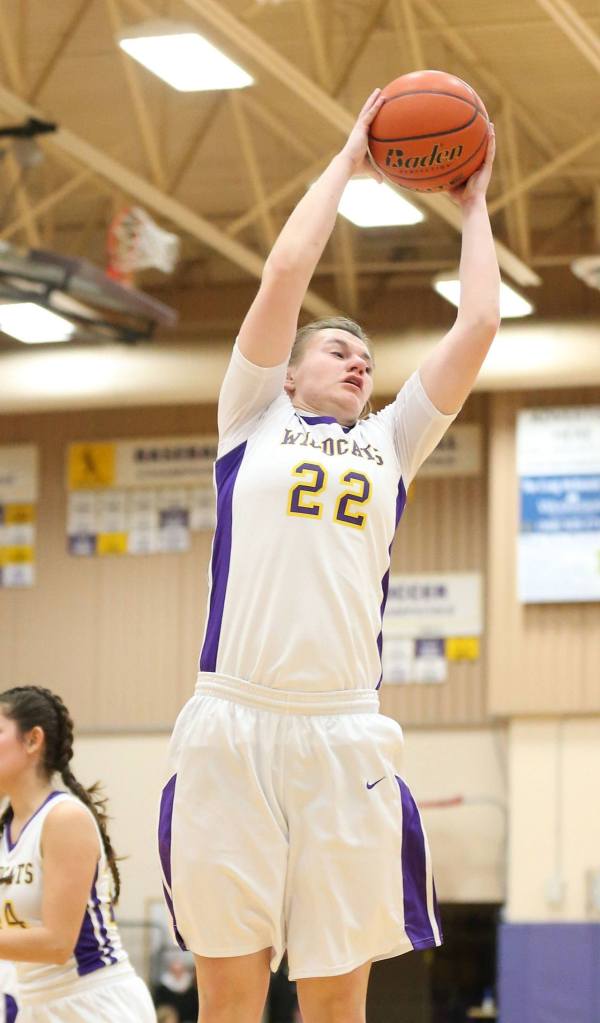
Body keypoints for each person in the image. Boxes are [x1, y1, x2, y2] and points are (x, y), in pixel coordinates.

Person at [158, 88, 499, 1023]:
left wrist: (474, 207)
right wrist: (350, 158)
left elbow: (477, 325)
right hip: (232, 720)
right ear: (289, 371)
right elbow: (284, 271)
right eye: (339, 350)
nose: (358, 364)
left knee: (337, 1005)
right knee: (229, 1001)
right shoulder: (250, 419)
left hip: (345, 731)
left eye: (367, 361)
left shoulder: (394, 441)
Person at [0, 685, 156, 1022]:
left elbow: (58, 944)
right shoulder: (6, 828)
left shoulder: (63, 818)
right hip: (33, 1005)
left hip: (92, 1003)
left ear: (33, 740)